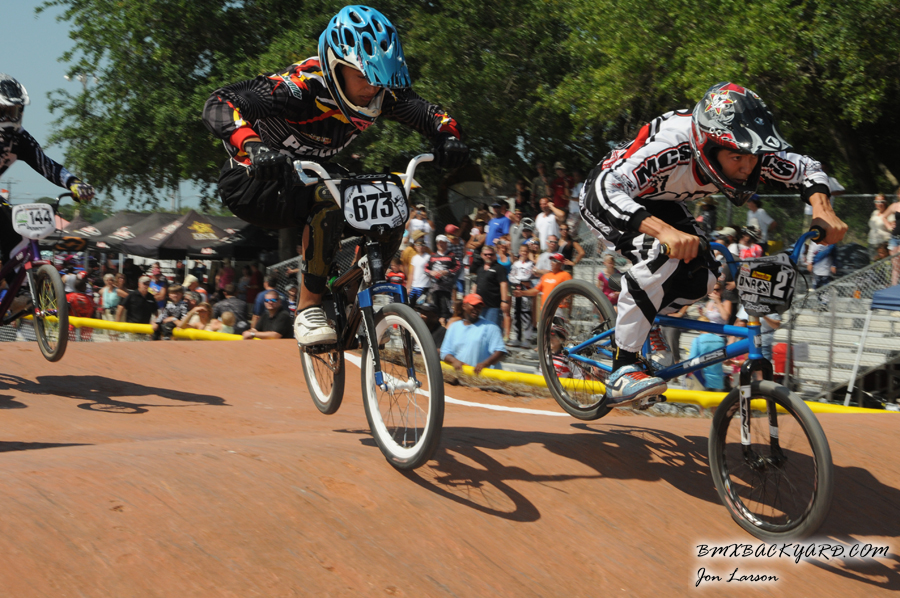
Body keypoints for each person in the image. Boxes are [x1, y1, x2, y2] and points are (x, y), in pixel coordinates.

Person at [202, 5, 468, 348]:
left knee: (391, 196)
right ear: (335, 66)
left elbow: (433, 115)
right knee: (330, 197)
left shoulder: (382, 93)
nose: (372, 88)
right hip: (253, 184)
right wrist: (253, 147)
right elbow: (221, 101)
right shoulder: (300, 89)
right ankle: (308, 308)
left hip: (312, 176)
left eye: (380, 78)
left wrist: (448, 138)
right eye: (364, 77)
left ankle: (360, 296)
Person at [579, 82, 847, 405]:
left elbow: (806, 167)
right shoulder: (672, 147)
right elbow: (605, 190)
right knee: (662, 254)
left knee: (705, 275)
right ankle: (622, 368)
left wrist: (822, 209)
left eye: (753, 157)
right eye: (737, 158)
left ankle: (645, 321)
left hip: (661, 201)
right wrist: (664, 232)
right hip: (609, 199)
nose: (748, 167)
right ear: (708, 147)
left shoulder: (745, 148)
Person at [0, 74, 95, 277]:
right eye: (3, 111)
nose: (9, 118)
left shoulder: (21, 139)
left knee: (17, 237)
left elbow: (48, 166)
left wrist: (74, 183)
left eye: (13, 111)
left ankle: (19, 288)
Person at [440, 293, 507, 374]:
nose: (476, 309)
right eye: (473, 305)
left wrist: (485, 364)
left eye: (479, 307)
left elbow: (500, 351)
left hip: (483, 378)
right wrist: (454, 361)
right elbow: (445, 352)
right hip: (461, 375)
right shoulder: (454, 327)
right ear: (464, 306)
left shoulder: (491, 327)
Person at [471, 245, 509, 328]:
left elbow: (503, 284)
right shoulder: (480, 269)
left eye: (491, 254)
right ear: (482, 255)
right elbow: (476, 284)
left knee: (492, 328)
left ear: (495, 255)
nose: (488, 256)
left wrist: (504, 301)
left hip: (493, 306)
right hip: (480, 305)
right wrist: (472, 298)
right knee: (480, 328)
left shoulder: (499, 268)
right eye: (486, 254)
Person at [425, 234, 460, 321]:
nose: (440, 244)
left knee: (445, 310)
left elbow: (458, 267)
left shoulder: (451, 255)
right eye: (439, 243)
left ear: (446, 243)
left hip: (446, 288)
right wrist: (431, 272)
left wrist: (447, 271)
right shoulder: (433, 256)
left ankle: (445, 325)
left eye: (442, 242)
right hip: (434, 288)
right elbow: (426, 268)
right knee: (435, 309)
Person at [508, 244, 534, 347]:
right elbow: (511, 276)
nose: (524, 253)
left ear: (528, 253)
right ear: (519, 252)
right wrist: (518, 281)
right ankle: (517, 337)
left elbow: (528, 276)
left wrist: (519, 280)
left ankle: (526, 338)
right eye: (522, 251)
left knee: (525, 314)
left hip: (525, 293)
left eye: (526, 251)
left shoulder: (530, 264)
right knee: (516, 314)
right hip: (516, 291)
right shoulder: (515, 264)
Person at [408, 236, 431, 305]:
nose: (420, 247)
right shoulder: (414, 258)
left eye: (422, 245)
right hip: (414, 286)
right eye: (418, 245)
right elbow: (411, 273)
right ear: (415, 246)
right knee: (411, 305)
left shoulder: (428, 257)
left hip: (424, 286)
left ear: (425, 246)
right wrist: (408, 287)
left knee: (421, 305)